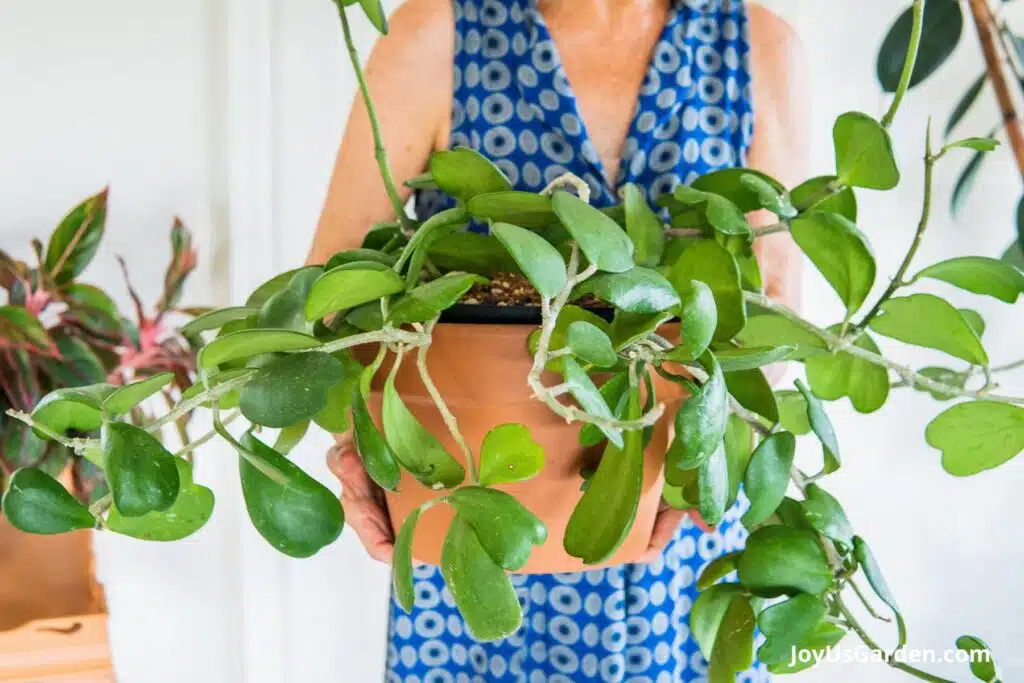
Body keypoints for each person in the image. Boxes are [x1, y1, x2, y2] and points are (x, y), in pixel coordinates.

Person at [308, 0, 808, 679]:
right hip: (478, 539)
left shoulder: (757, 48)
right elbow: (333, 303)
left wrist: (697, 457)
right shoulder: (438, 34)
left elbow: (774, 313)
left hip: (681, 551)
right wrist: (359, 435)